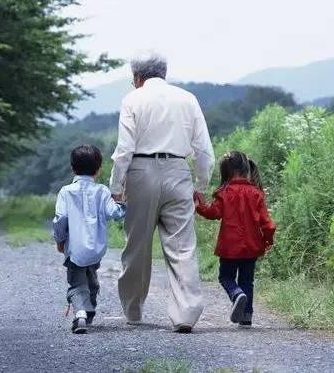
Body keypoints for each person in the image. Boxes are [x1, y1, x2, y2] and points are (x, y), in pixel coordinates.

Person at [110, 51, 215, 332]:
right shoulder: (187, 99)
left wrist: (116, 187)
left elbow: (124, 150)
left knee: (137, 245)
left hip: (141, 171)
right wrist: (201, 186)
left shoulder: (132, 99)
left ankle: (133, 312)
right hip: (178, 170)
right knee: (182, 247)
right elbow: (204, 150)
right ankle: (185, 315)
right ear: (164, 73)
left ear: (137, 77)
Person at [195, 151, 276, 328]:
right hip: (251, 246)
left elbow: (213, 213)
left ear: (226, 172)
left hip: (229, 246)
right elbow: (267, 224)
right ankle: (246, 316)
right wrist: (268, 240)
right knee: (247, 280)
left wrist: (199, 205)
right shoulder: (256, 193)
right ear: (246, 169)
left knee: (226, 277)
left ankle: (236, 294)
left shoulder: (224, 192)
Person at [53, 144, 126, 334]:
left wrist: (59, 239)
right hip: (95, 249)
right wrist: (123, 201)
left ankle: (80, 315)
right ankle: (90, 312)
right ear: (99, 169)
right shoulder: (102, 191)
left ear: (72, 167)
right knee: (91, 280)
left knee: (77, 284)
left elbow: (61, 219)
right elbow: (115, 213)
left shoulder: (65, 191)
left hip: (74, 249)